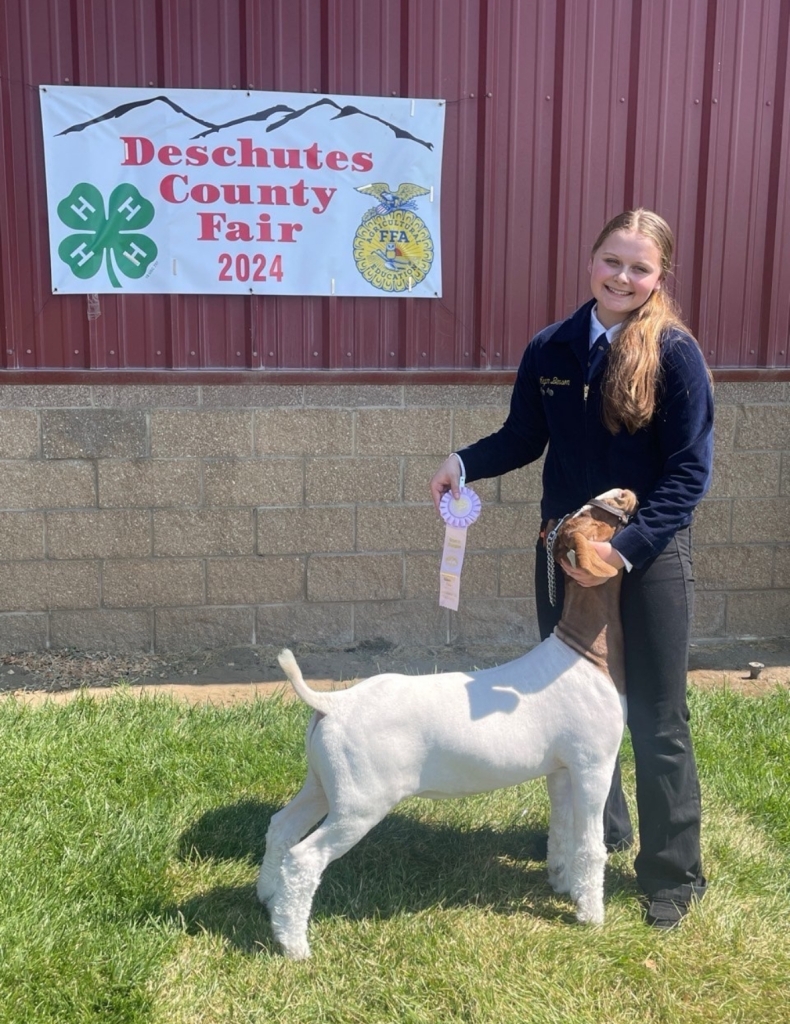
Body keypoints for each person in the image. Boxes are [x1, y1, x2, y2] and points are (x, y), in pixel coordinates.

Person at [430, 209, 714, 929]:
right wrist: (465, 463)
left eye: (640, 267)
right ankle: (603, 828)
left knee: (654, 714)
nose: (623, 278)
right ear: (592, 260)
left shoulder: (675, 355)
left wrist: (623, 549)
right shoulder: (552, 346)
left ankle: (672, 873)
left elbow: (688, 474)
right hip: (563, 554)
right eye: (612, 261)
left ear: (660, 277)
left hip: (644, 559)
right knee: (573, 704)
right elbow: (525, 435)